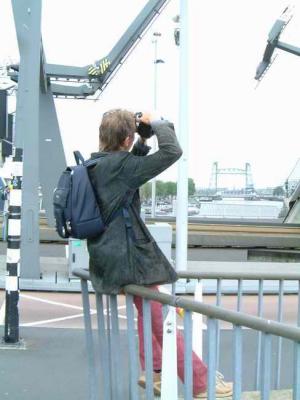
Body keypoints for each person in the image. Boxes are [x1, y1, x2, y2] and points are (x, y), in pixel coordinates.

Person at [87, 109, 232, 398]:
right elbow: (172, 150)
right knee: (162, 320)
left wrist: (141, 142)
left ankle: (152, 371)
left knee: (147, 311)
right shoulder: (122, 168)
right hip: (130, 260)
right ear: (126, 138)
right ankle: (201, 383)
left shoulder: (95, 165)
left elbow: (128, 173)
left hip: (106, 258)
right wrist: (158, 123)